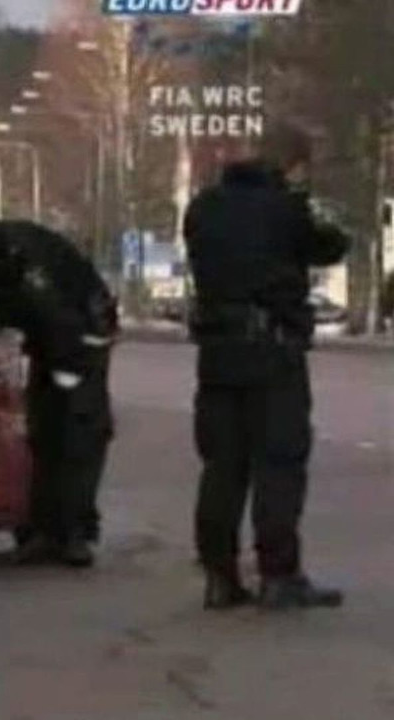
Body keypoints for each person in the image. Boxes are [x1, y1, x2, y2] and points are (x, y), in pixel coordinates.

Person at [183, 124, 350, 610]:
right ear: (295, 166)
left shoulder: (203, 207)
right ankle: (279, 575)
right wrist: (301, 202)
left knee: (222, 467)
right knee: (278, 463)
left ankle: (219, 576)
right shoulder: (287, 208)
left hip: (216, 354)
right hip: (272, 352)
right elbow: (331, 245)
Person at [0, 220, 118, 567]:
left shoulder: (25, 258)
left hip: (83, 339)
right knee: (42, 434)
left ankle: (75, 533)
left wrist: (67, 374)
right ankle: (42, 532)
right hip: (47, 343)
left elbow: (57, 318)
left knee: (79, 435)